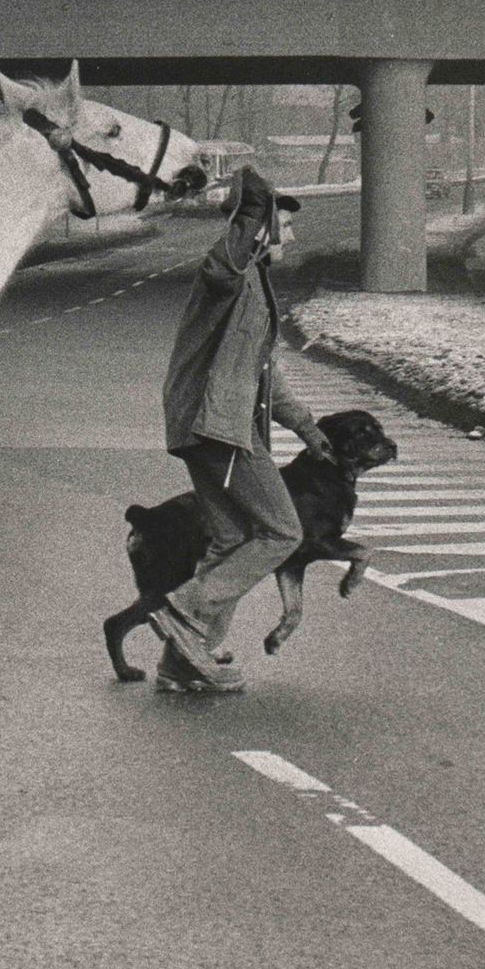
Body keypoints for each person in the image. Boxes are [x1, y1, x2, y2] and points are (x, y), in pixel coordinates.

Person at [147, 165, 336, 693]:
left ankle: (182, 661)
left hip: (209, 421)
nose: (291, 238)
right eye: (286, 226)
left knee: (230, 538)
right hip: (219, 424)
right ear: (261, 231)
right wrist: (253, 210)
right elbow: (222, 265)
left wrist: (307, 429)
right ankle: (186, 609)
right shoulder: (232, 279)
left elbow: (262, 378)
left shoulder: (253, 286)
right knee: (282, 530)